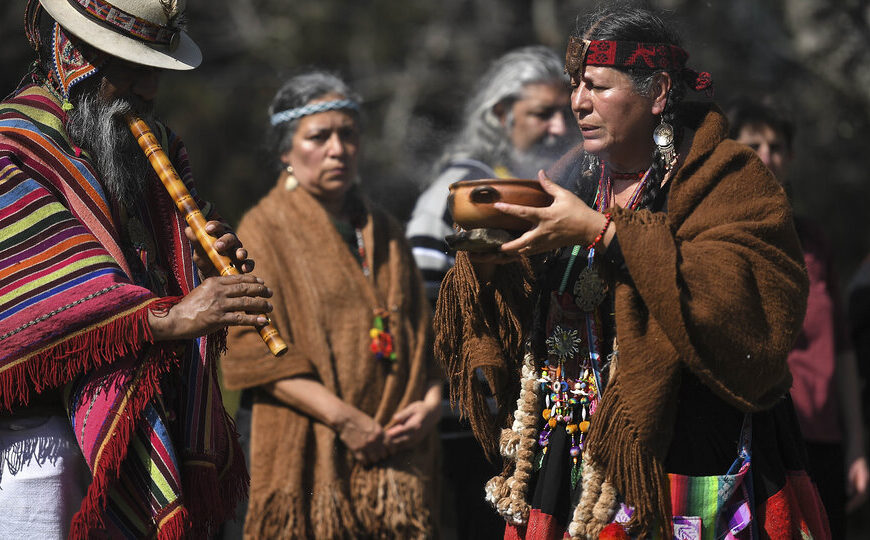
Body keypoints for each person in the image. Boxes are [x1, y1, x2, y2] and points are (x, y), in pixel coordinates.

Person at [434, 5, 829, 539]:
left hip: (681, 460)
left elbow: (748, 315)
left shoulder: (726, 177)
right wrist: (495, 262)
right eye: (576, 85)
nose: (578, 103)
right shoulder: (570, 177)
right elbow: (532, 318)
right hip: (570, 464)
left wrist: (607, 233)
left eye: (596, 86)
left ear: (659, 92)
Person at [0, 1, 275, 538]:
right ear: (76, 56)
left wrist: (196, 268)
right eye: (133, 68)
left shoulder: (154, 146)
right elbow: (25, 311)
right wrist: (168, 320)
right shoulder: (13, 149)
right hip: (36, 449)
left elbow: (154, 272)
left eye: (157, 70)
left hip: (145, 435)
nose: (150, 90)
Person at [221, 71, 442, 539]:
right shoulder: (264, 231)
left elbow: (423, 341)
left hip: (394, 460)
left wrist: (430, 404)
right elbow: (254, 350)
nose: (338, 149)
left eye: (348, 135)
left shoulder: (384, 231)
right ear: (285, 151)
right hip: (308, 452)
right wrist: (345, 420)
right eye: (319, 137)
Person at [728, 97, 870, 536]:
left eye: (776, 146)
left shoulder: (814, 241)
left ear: (790, 157)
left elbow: (841, 347)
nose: (767, 156)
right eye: (753, 145)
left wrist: (858, 447)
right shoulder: (721, 238)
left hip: (825, 442)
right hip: (761, 444)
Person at [406, 45, 578, 306]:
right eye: (542, 114)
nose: (559, 128)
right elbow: (421, 297)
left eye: (564, 113)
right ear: (501, 114)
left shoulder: (564, 187)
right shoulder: (459, 190)